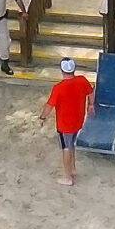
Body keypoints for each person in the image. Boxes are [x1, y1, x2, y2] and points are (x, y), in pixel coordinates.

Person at [41, 55, 92, 185]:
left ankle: (68, 177)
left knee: (66, 148)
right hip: (78, 120)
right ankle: (73, 169)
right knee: (72, 144)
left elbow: (49, 106)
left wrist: (42, 117)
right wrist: (90, 104)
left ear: (62, 71)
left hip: (64, 124)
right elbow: (90, 92)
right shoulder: (82, 80)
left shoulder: (58, 88)